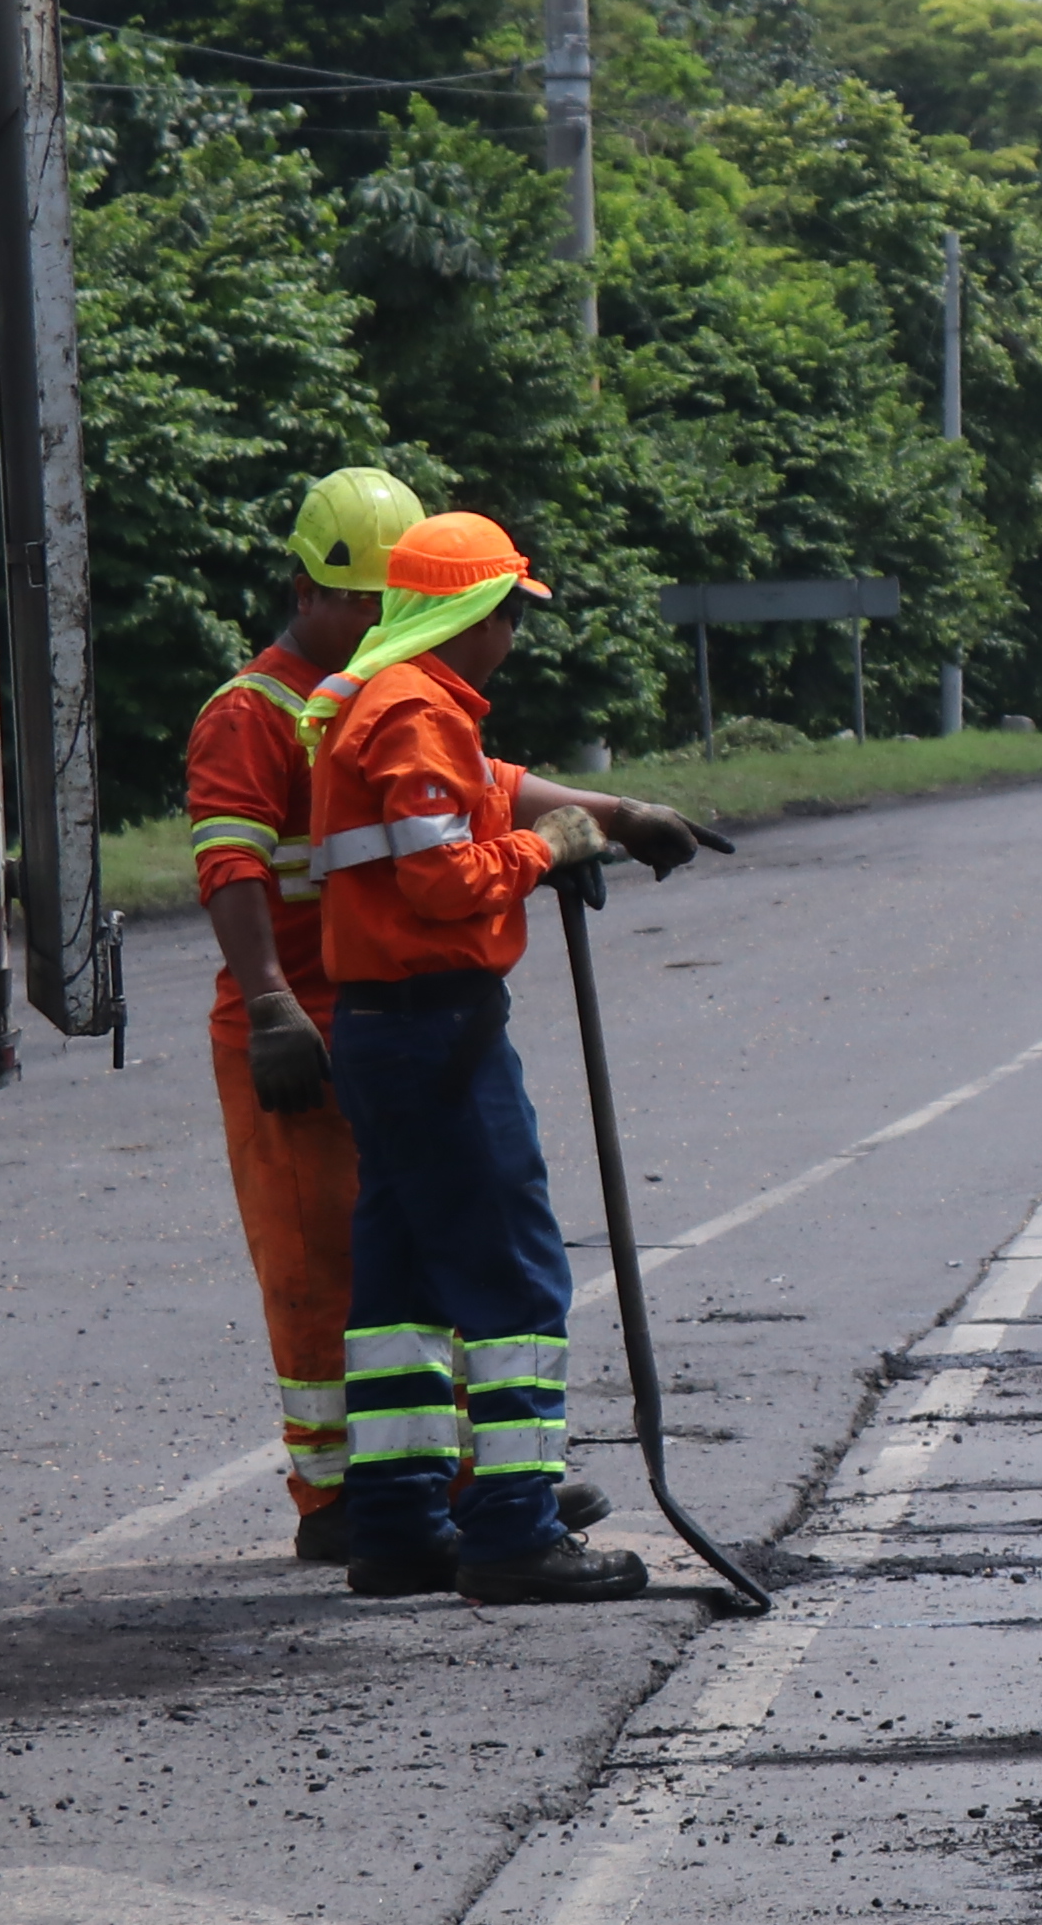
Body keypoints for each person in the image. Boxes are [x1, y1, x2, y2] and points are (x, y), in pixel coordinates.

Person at [305, 513, 706, 1601]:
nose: (515, 636)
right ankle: (516, 1528)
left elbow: (495, 781)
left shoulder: (369, 699)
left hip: (383, 1030)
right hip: (438, 1029)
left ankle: (395, 1521)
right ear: (472, 613)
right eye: (511, 614)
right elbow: (444, 879)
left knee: (397, 1288)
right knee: (517, 1272)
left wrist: (612, 814)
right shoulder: (414, 716)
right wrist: (557, 847)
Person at [182, 468, 416, 1560]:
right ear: (303, 590)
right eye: (359, 599)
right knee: (319, 1268)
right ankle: (334, 1502)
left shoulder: (381, 702)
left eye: (392, 601)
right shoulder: (250, 714)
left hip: (375, 1021)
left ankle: (436, 1479)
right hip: (293, 1036)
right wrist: (273, 1003)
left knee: (412, 1257)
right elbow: (229, 862)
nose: (376, 621)